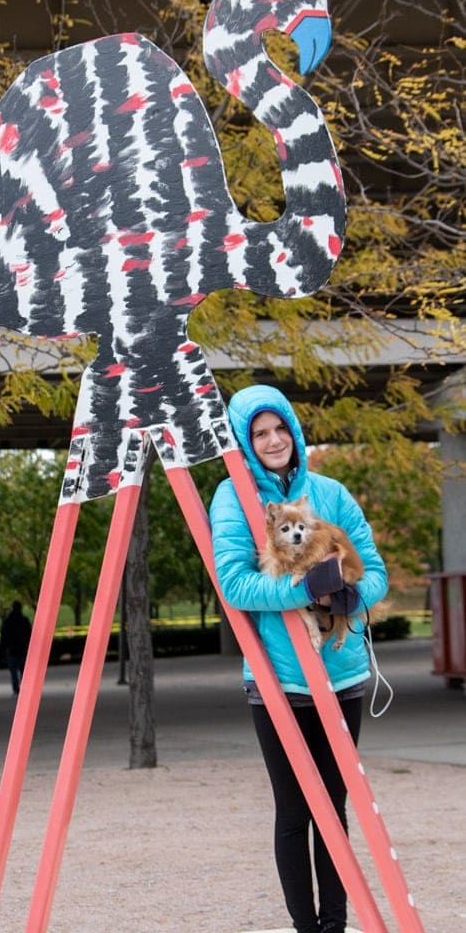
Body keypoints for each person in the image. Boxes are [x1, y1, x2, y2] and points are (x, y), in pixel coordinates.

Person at [209, 385, 388, 933]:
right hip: (277, 681)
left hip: (344, 676)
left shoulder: (330, 493)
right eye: (259, 433)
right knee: (293, 811)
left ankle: (334, 924)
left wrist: (349, 595)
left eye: (279, 427)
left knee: (333, 807)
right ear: (245, 441)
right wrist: (306, 589)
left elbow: (375, 570)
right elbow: (235, 584)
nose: (273, 440)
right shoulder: (232, 499)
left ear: (294, 429)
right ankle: (305, 927)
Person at [0, 600, 32, 696]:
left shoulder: (7, 621)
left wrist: (4, 646)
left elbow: (3, 635)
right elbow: (29, 633)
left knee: (13, 671)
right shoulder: (24, 620)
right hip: (22, 648)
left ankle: (16, 689)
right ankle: (24, 688)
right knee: (23, 670)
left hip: (11, 648)